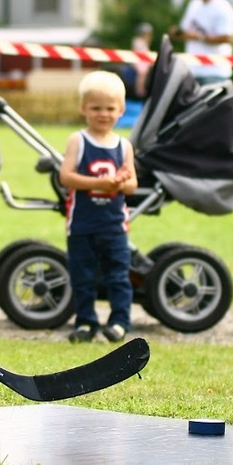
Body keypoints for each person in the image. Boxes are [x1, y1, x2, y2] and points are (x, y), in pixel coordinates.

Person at [60, 70, 137, 344]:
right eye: (95, 108)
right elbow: (66, 176)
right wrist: (98, 183)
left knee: (118, 276)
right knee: (83, 277)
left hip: (114, 225)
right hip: (82, 225)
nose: (103, 114)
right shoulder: (77, 141)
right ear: (83, 108)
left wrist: (118, 183)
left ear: (121, 110)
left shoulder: (123, 145)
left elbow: (132, 185)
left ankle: (119, 321)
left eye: (109, 108)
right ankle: (85, 321)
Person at [168, 0, 233, 85]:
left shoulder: (222, 7)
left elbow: (227, 38)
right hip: (193, 70)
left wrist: (199, 38)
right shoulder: (193, 4)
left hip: (215, 72)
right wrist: (177, 33)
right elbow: (186, 31)